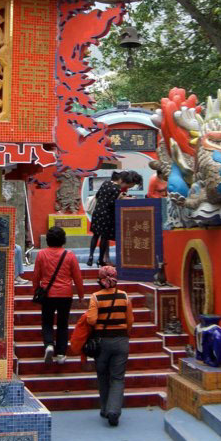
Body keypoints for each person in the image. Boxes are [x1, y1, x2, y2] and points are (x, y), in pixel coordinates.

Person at [87, 265, 134, 426]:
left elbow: (91, 320)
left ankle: (105, 408)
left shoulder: (95, 297)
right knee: (117, 377)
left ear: (100, 280)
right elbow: (130, 320)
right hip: (121, 341)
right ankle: (114, 410)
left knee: (102, 375)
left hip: (102, 342)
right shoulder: (124, 296)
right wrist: (125, 334)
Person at [32, 226, 84, 364]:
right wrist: (81, 294)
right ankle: (61, 353)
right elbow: (77, 277)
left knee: (47, 322)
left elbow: (36, 276)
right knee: (63, 323)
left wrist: (36, 290)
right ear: (63, 239)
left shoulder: (41, 254)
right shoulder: (69, 255)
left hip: (47, 294)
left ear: (48, 240)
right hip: (65, 294)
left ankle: (49, 344)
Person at [87, 171, 141, 267]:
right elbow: (112, 203)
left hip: (97, 212)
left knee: (95, 236)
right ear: (122, 180)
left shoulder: (106, 183)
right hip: (107, 215)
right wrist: (119, 198)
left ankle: (90, 257)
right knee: (104, 238)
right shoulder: (117, 189)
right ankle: (100, 259)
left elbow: (98, 195)